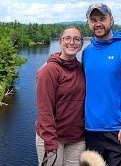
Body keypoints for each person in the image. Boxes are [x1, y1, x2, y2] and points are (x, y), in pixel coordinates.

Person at [82, 3, 121, 166]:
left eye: (102, 18)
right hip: (91, 131)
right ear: (88, 22)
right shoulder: (87, 52)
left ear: (111, 20)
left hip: (119, 131)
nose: (98, 23)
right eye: (93, 19)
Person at [36, 26, 85, 166]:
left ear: (81, 44)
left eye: (76, 39)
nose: (72, 42)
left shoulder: (82, 69)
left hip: (77, 139)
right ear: (60, 41)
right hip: (52, 138)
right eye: (67, 38)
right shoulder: (49, 70)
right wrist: (50, 140)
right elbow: (44, 109)